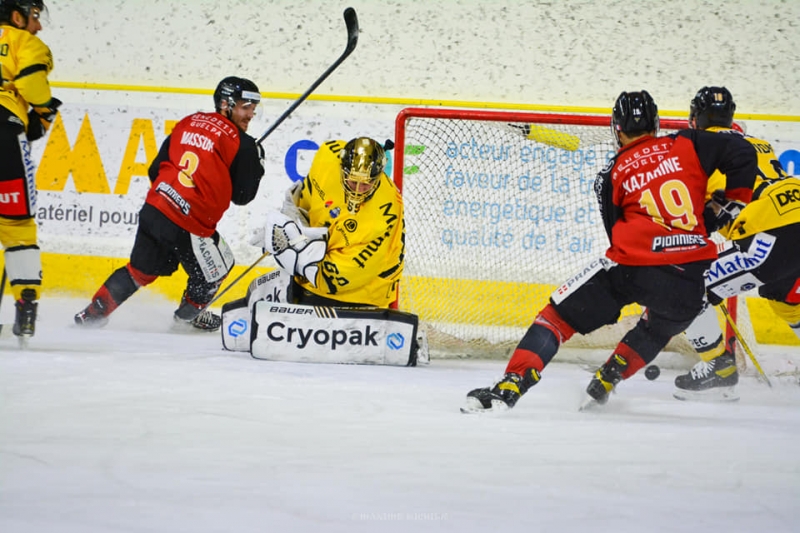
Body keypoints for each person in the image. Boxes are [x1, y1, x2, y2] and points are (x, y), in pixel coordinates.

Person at [463, 90, 757, 413]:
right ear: (656, 124)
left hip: (637, 267)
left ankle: (511, 386)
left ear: (617, 129)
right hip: (691, 279)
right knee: (658, 326)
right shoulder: (687, 142)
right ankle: (607, 379)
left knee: (557, 317)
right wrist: (729, 207)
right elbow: (742, 151)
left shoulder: (610, 173)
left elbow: (616, 235)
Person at [74, 76, 265, 332]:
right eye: (245, 106)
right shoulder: (244, 144)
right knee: (218, 269)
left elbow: (155, 169)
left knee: (138, 272)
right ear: (225, 104)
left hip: (154, 209)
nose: (251, 114)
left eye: (254, 107)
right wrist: (257, 166)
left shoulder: (188, 123)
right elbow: (242, 196)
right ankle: (185, 322)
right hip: (188, 223)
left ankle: (91, 316)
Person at [222, 137, 424, 366]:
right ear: (341, 167)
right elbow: (304, 198)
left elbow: (335, 278)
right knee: (270, 289)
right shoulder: (328, 156)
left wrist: (291, 251)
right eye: (352, 181)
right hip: (324, 257)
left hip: (362, 292)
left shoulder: (382, 217)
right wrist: (290, 222)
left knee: (296, 286)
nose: (358, 190)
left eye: (366, 184)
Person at [673, 86, 800, 401]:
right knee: (782, 294)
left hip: (771, 234)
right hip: (792, 218)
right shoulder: (759, 143)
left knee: (686, 289)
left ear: (695, 118)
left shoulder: (697, 148)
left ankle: (719, 369)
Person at [0, 0, 60, 343]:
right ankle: (25, 307)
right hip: (4, 134)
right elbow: (31, 81)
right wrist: (44, 109)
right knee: (17, 226)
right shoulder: (26, 42)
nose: (38, 26)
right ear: (17, 16)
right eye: (35, 17)